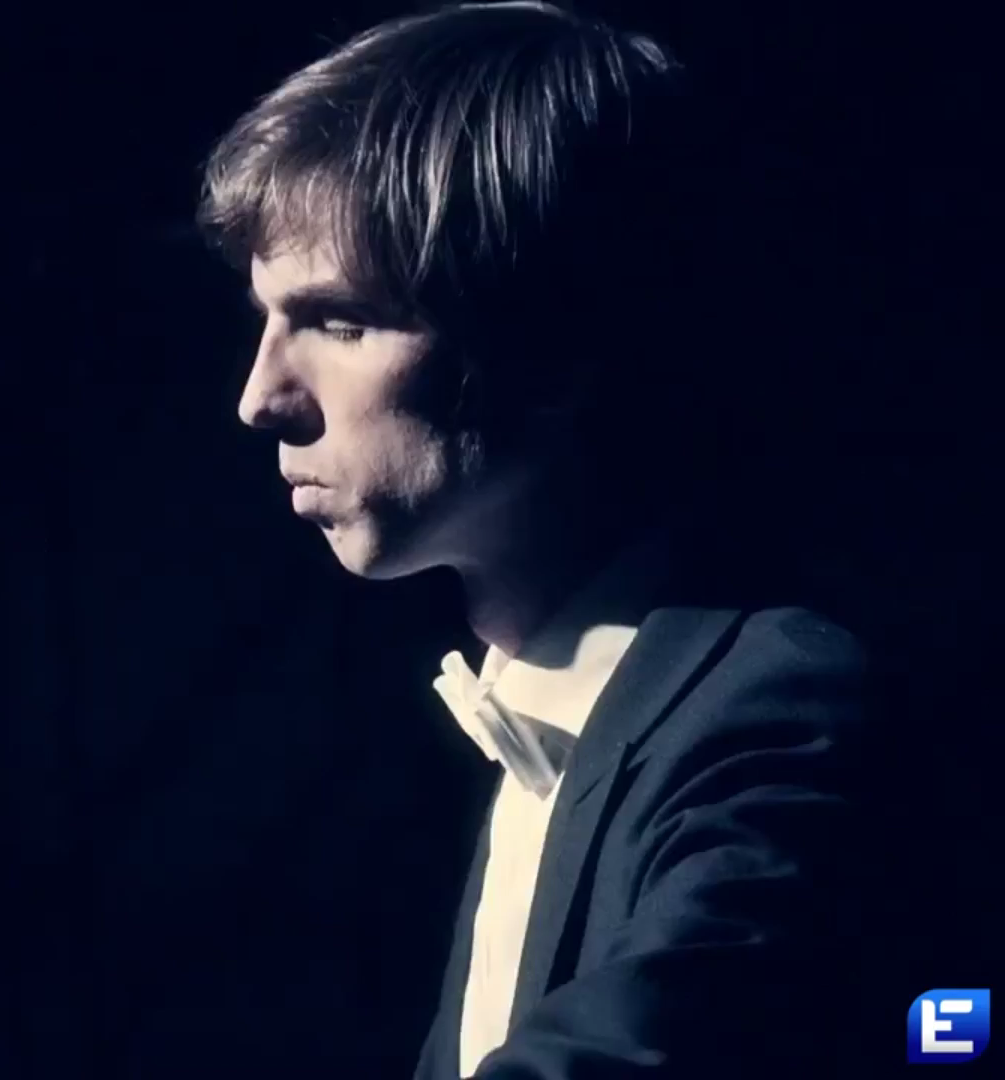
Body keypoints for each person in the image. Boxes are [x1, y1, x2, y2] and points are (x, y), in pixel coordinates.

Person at [199, 3, 890, 1078]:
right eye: (266, 320)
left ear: (553, 339)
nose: (261, 398)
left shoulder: (780, 713)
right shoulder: (542, 727)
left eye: (340, 322)